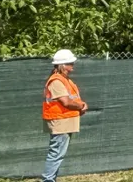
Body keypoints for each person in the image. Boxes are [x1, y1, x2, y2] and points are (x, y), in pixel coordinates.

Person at [41, 49, 87, 182]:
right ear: (63, 65)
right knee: (56, 155)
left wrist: (81, 105)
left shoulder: (64, 80)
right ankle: (48, 180)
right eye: (70, 63)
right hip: (60, 122)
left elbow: (72, 99)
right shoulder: (56, 81)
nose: (72, 66)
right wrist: (81, 106)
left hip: (65, 121)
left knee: (57, 154)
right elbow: (65, 101)